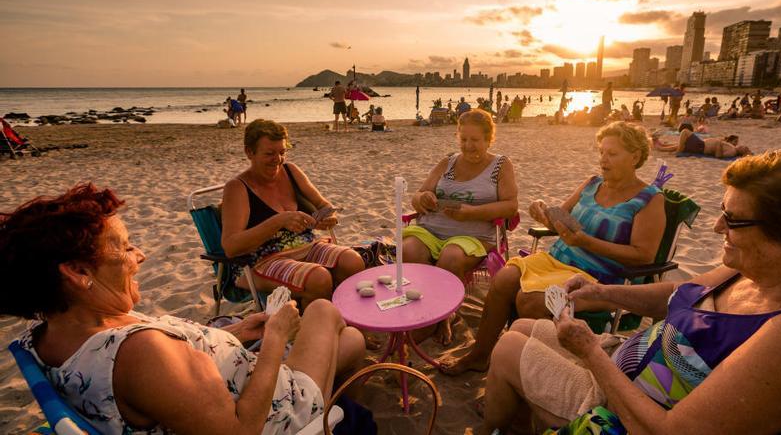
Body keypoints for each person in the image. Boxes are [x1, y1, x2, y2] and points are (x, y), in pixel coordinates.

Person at [481, 147, 781, 434]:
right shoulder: (773, 269)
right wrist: (602, 291)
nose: (716, 228)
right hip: (633, 366)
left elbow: (670, 429)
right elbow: (679, 294)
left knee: (507, 350)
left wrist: (588, 351)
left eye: (734, 220)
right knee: (521, 330)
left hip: (626, 412)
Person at [0, 184, 366, 434]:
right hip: (276, 411)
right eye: (125, 249)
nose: (139, 256)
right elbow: (241, 430)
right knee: (323, 311)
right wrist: (274, 338)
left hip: (233, 380)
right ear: (78, 273)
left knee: (348, 339)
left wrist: (232, 334)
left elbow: (174, 374)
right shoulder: (139, 354)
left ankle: (329, 355)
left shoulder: (51, 335)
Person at [442, 121, 665, 375]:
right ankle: (480, 356)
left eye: (612, 154)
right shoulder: (593, 183)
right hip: (557, 260)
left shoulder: (649, 199)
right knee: (504, 279)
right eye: (601, 152)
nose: (603, 159)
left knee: (531, 301)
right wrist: (542, 210)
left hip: (596, 279)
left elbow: (643, 255)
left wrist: (585, 242)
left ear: (635, 156)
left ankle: (522, 374)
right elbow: (559, 217)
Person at [221, 120, 365, 307]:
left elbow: (323, 204)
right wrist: (279, 221)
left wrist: (328, 216)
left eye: (282, 152)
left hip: (306, 246)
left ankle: (344, 315)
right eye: (269, 154)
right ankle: (312, 327)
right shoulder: (238, 188)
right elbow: (231, 246)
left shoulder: (290, 171)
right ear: (249, 152)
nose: (278, 159)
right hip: (262, 261)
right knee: (319, 278)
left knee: (353, 261)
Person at [404, 109, 518, 344]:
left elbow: (511, 206)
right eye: (463, 139)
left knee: (451, 257)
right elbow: (418, 194)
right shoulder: (448, 162)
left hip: (473, 234)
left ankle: (444, 316)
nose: (468, 145)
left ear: (489, 139)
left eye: (475, 140)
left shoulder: (500, 165)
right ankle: (425, 308)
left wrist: (472, 213)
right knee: (408, 250)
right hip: (432, 229)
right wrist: (423, 198)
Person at [655, 126, 752, 157]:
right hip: (700, 145)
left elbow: (719, 156)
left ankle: (678, 152)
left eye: (743, 147)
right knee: (680, 144)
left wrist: (718, 143)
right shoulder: (732, 148)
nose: (741, 145)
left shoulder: (732, 152)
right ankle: (660, 147)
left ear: (741, 151)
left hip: (701, 146)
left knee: (685, 131)